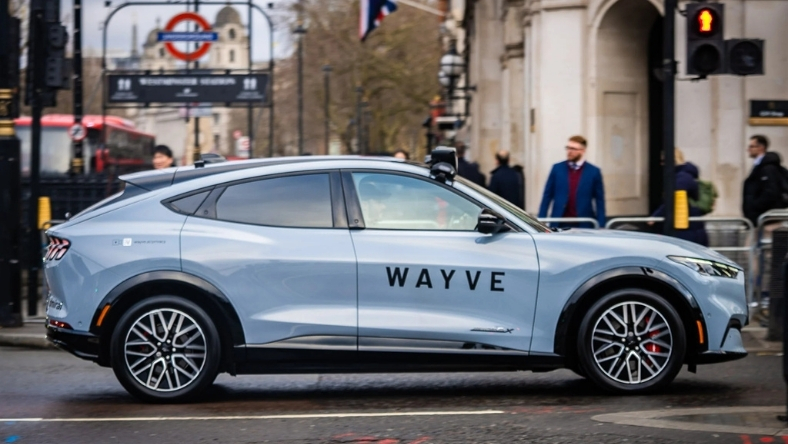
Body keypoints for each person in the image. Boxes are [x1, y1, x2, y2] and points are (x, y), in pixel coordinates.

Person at [538, 135, 605, 228]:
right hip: (559, 222)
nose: (569, 151)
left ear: (583, 150)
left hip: (584, 223)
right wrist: (541, 220)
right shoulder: (557, 168)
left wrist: (601, 224)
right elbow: (547, 196)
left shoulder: (594, 171)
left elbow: (599, 200)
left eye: (573, 148)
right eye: (568, 148)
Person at [650, 148, 708, 246]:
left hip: (686, 227)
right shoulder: (682, 176)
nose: (661, 164)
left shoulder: (682, 177)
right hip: (687, 226)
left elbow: (672, 200)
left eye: (664, 161)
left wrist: (655, 216)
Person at [743, 135, 786, 226]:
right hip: (760, 219)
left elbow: (771, 192)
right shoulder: (760, 166)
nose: (748, 149)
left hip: (766, 219)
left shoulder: (768, 168)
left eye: (751, 146)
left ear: (761, 148)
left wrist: (754, 206)